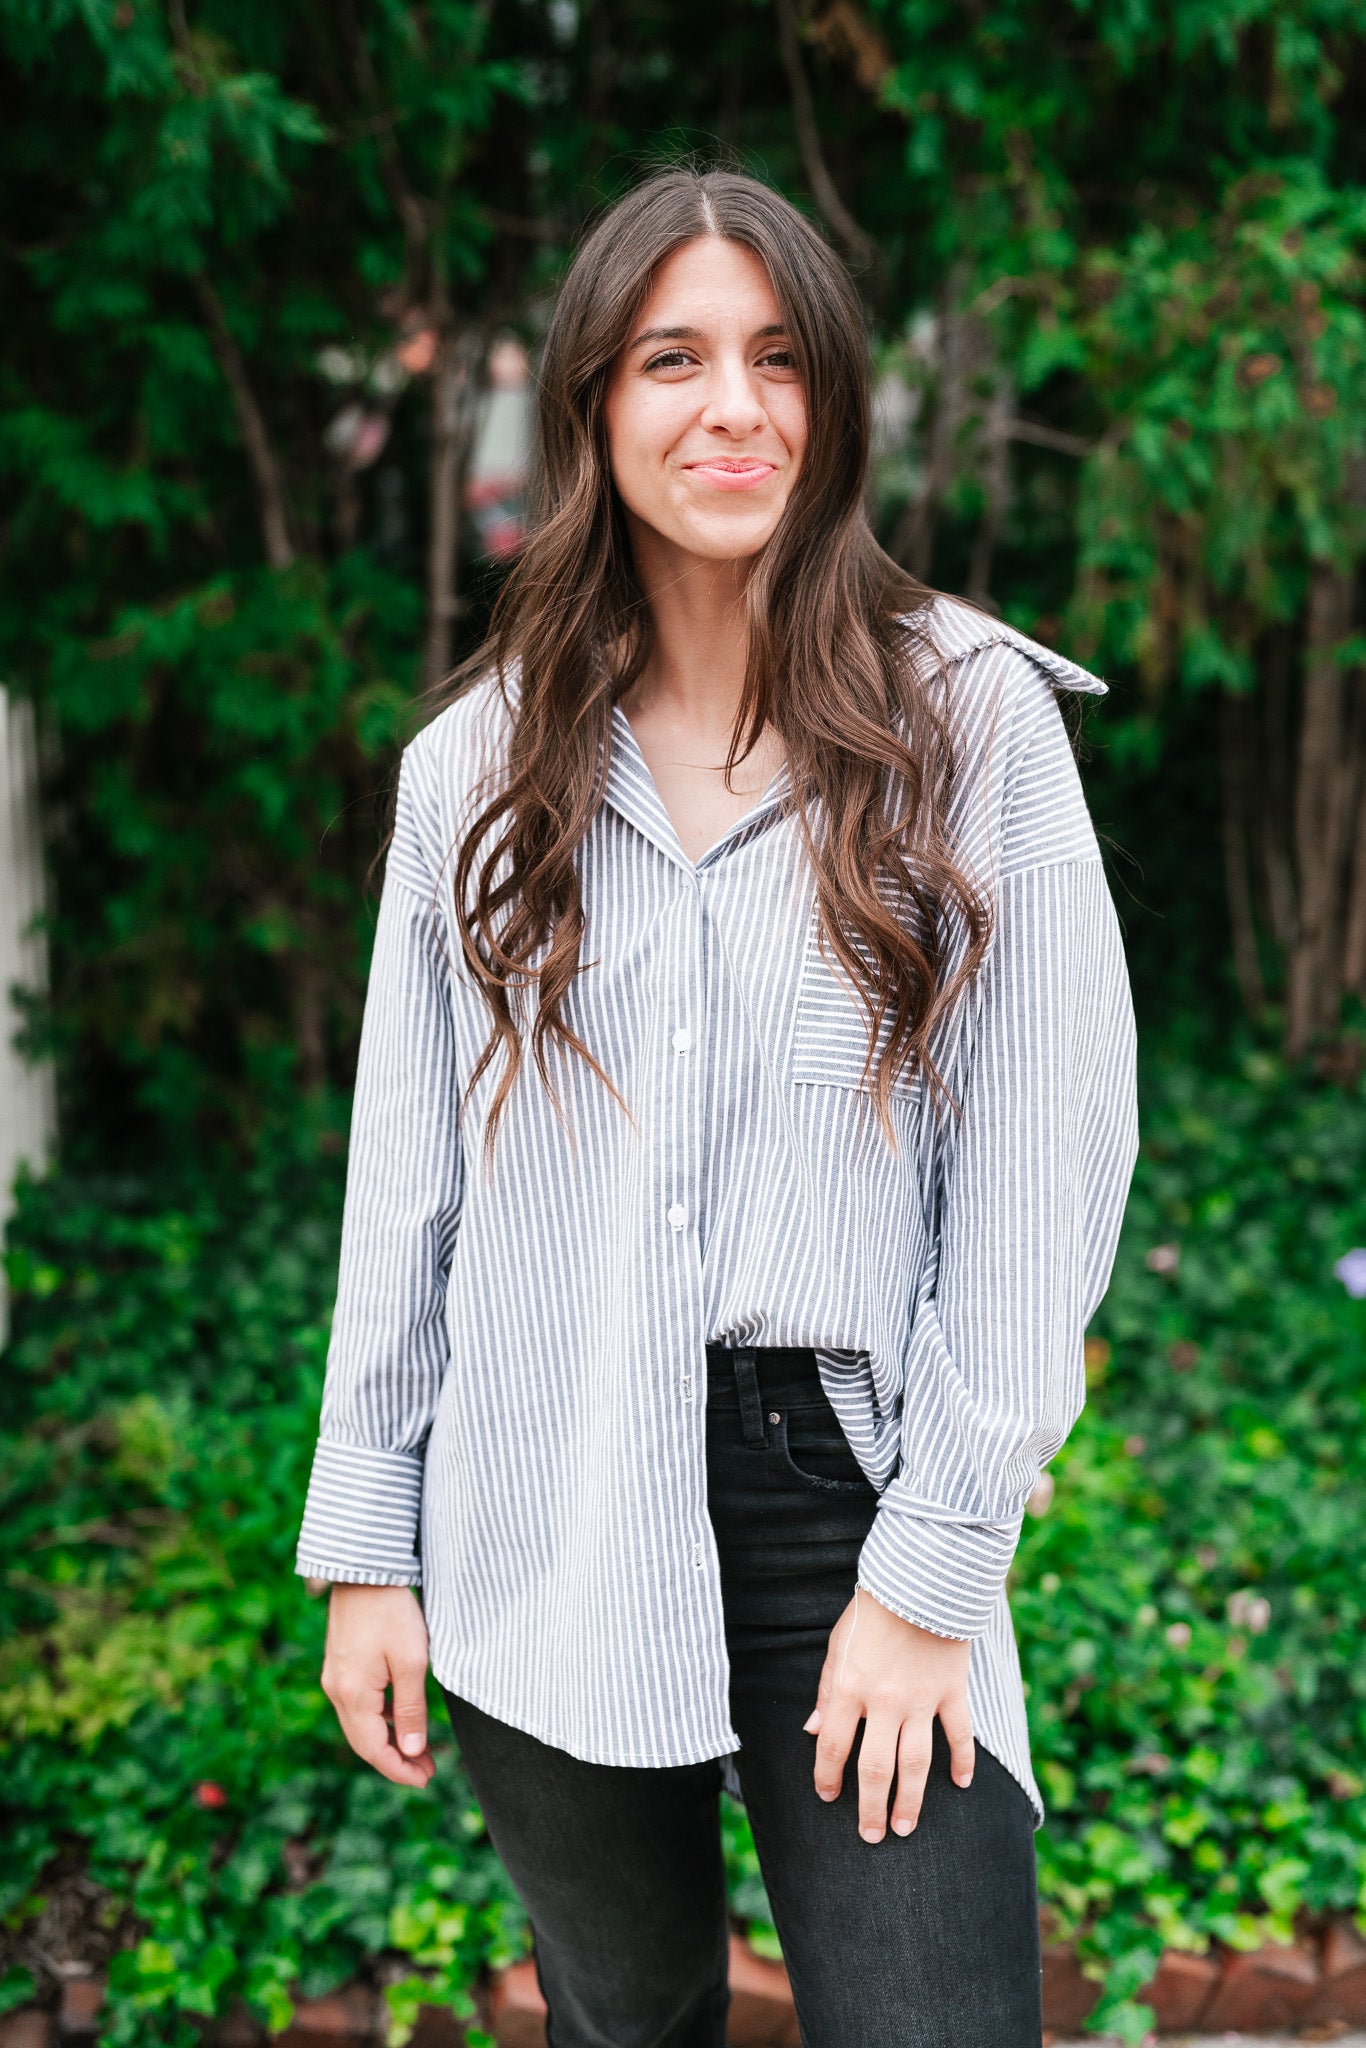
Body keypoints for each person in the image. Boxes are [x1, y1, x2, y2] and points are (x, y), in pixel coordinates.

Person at [295, 166, 1140, 2048]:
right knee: (627, 2023)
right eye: (672, 358)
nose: (730, 406)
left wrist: (930, 1574)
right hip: (547, 1470)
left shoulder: (969, 724)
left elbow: (1039, 1169)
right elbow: (406, 1181)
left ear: (832, 399)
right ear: (594, 399)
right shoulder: (475, 772)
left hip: (844, 1483)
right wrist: (367, 1537)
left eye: (775, 357)